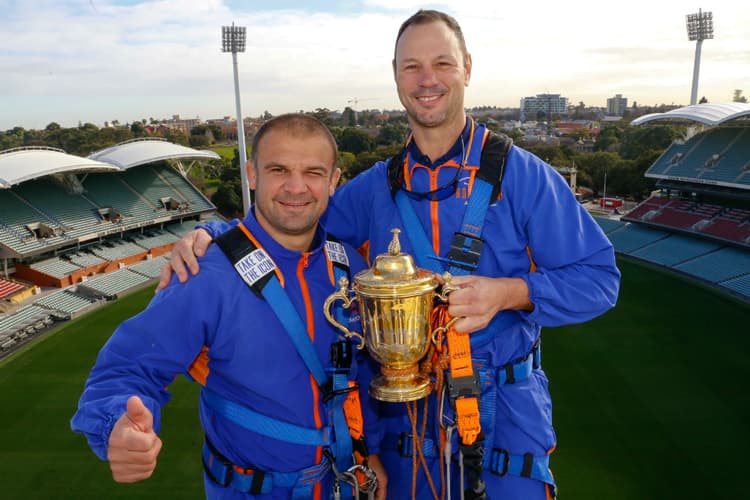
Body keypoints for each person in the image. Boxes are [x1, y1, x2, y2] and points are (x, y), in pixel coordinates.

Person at [161, 10, 620, 500]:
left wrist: (510, 292)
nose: (427, 80)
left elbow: (598, 279)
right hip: (403, 420)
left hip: (502, 416)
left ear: (466, 68)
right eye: (411, 67)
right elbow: (291, 223)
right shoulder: (375, 188)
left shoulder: (524, 177)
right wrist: (216, 234)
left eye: (442, 64)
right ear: (396, 76)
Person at [71, 114, 388, 500]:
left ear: (334, 180)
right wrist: (117, 424)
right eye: (279, 170)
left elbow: (365, 375)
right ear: (252, 174)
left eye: (313, 172)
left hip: (343, 484)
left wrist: (368, 452)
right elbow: (129, 365)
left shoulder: (352, 269)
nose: (296, 186)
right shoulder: (205, 273)